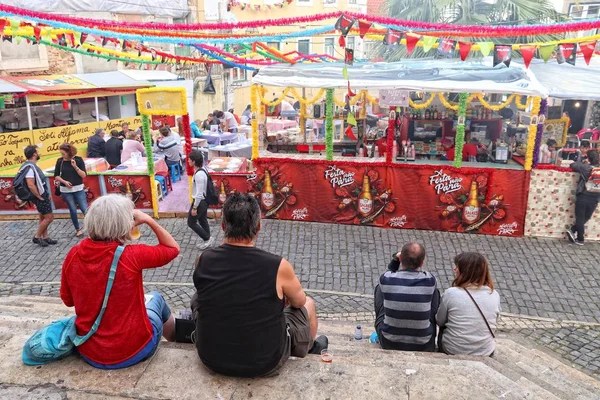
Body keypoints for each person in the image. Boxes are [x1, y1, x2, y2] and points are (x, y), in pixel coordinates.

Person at [191, 193, 327, 377]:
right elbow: (298, 302)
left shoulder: (203, 260)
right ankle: (308, 348)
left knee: (197, 296)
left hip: (211, 357)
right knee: (308, 304)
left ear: (223, 226)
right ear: (258, 227)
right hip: (265, 361)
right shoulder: (278, 266)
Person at [60, 194, 180, 369]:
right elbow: (173, 248)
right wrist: (148, 220)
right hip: (134, 349)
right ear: (124, 225)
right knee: (157, 298)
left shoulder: (74, 254)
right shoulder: (130, 256)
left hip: (90, 350)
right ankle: (177, 343)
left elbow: (68, 300)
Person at [374, 242, 439, 352]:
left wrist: (395, 260)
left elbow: (390, 271)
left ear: (401, 259)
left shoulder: (386, 279)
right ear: (422, 262)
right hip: (423, 342)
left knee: (380, 288)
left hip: (389, 340)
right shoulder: (430, 280)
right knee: (435, 292)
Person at [436, 252, 501, 356]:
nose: (454, 269)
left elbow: (440, 320)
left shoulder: (451, 293)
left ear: (465, 272)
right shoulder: (494, 294)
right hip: (485, 351)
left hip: (453, 350)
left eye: (457, 267)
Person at [20, 145, 56, 247]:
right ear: (34, 154)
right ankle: (37, 236)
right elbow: (31, 184)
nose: (39, 153)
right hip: (39, 196)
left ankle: (45, 237)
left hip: (41, 194)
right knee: (49, 217)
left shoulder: (29, 166)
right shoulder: (30, 168)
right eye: (37, 152)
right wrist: (39, 196)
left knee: (42, 216)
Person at [567, 149, 600, 246]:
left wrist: (583, 161)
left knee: (580, 217)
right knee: (586, 217)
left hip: (584, 194)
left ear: (588, 158)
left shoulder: (585, 167)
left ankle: (580, 238)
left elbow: (573, 165)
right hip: (596, 196)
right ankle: (573, 230)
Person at [54, 143, 88, 237]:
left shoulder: (78, 160)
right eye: (61, 154)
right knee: (72, 209)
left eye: (63, 154)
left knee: (85, 209)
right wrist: (64, 182)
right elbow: (56, 175)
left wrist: (75, 167)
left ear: (69, 153)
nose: (62, 156)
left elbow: (84, 175)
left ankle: (93, 227)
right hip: (65, 190)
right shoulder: (60, 161)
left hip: (78, 188)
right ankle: (77, 229)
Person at [187, 150, 213, 249]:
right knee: (202, 219)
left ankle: (207, 238)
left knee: (191, 222)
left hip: (200, 201)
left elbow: (199, 193)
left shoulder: (199, 175)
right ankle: (208, 239)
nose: (188, 161)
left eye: (189, 160)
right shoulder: (202, 169)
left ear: (194, 161)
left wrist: (194, 207)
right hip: (203, 200)